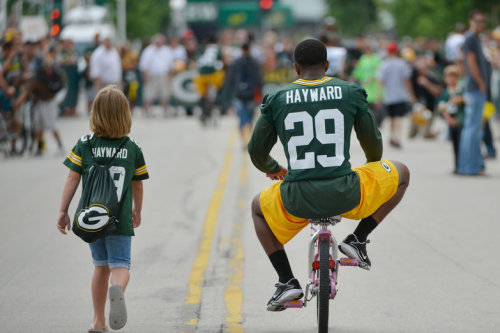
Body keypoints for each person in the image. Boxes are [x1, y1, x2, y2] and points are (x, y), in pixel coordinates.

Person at [248, 39, 410, 311]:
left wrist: (274, 167)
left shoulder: (277, 98)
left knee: (257, 208)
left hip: (295, 198)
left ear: (296, 68)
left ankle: (286, 281)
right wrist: (372, 171)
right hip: (346, 193)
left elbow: (256, 151)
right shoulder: (349, 91)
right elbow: (373, 146)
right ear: (326, 65)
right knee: (402, 173)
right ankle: (357, 240)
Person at [56, 86, 149, 332]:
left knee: (100, 266)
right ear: (124, 115)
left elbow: (72, 179)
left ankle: (98, 321)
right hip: (118, 218)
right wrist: (137, 210)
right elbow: (137, 185)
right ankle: (117, 289)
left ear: (95, 113)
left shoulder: (85, 144)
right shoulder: (132, 147)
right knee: (120, 265)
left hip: (92, 216)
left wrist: (63, 211)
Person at [457, 9, 489, 175]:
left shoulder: (475, 38)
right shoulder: (471, 38)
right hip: (475, 89)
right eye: (477, 20)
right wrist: (481, 83)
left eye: (483, 21)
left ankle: (468, 165)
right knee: (473, 130)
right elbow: (471, 62)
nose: (480, 24)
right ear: (471, 21)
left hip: (474, 89)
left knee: (472, 129)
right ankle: (471, 166)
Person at [377, 41, 416, 148]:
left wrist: (378, 96)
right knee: (399, 117)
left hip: (389, 95)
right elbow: (406, 80)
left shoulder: (384, 64)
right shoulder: (402, 63)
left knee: (392, 117)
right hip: (400, 94)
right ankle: (397, 137)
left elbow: (381, 81)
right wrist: (411, 94)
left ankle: (392, 136)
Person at [226, 42, 262, 149]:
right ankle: (248, 140)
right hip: (250, 94)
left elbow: (230, 80)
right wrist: (260, 94)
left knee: (242, 118)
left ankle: (244, 141)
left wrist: (228, 97)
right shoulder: (254, 63)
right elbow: (258, 80)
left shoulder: (236, 63)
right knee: (249, 119)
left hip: (239, 94)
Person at [139, 34, 174, 117]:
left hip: (163, 75)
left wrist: (170, 76)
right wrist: (146, 77)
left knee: (165, 95)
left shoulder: (166, 51)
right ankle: (147, 112)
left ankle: (165, 112)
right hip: (151, 76)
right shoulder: (148, 51)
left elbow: (171, 65)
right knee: (149, 95)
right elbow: (143, 66)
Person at [438, 65, 465, 172]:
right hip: (452, 121)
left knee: (462, 143)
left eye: (453, 77)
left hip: (460, 120)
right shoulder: (446, 93)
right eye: (449, 77)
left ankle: (462, 165)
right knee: (455, 144)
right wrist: (449, 119)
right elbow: (442, 108)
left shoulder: (460, 91)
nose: (451, 80)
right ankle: (457, 165)